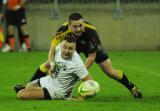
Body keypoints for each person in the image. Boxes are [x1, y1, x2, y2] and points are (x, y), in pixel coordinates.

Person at [15, 13, 142, 98]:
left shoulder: (91, 32)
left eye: (81, 25)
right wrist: (53, 63)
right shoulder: (62, 30)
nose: (79, 29)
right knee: (47, 63)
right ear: (69, 26)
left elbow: (91, 57)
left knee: (110, 72)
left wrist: (79, 72)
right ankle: (28, 85)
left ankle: (132, 87)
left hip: (90, 49)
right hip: (71, 45)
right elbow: (52, 49)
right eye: (75, 26)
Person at [17, 34, 93, 100]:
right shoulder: (59, 47)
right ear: (62, 45)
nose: (66, 51)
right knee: (29, 86)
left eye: (70, 49)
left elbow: (90, 82)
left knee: (21, 94)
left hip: (57, 91)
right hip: (50, 80)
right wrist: (52, 65)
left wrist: (81, 98)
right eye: (65, 47)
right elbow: (52, 54)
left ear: (75, 49)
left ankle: (42, 93)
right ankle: (38, 91)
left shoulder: (77, 64)